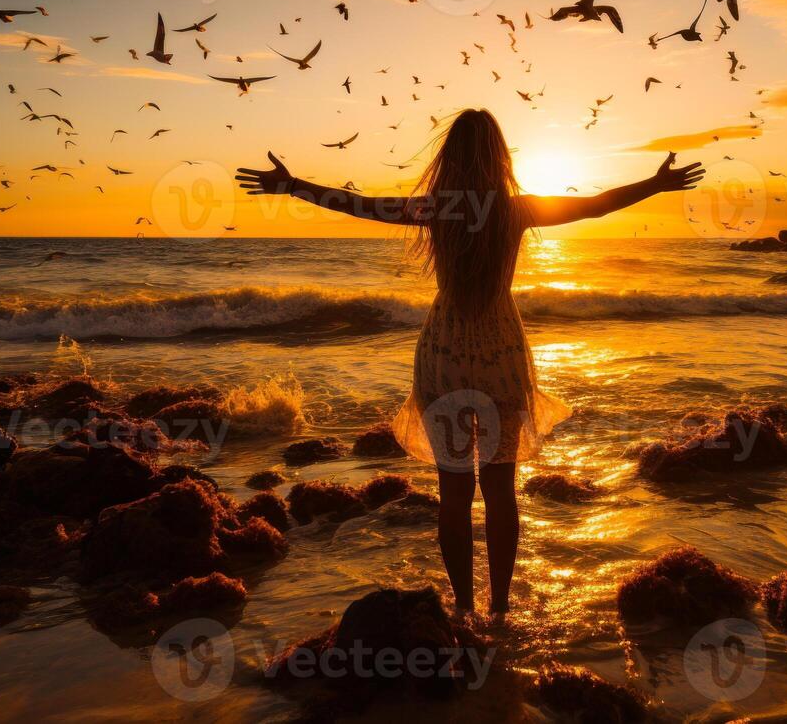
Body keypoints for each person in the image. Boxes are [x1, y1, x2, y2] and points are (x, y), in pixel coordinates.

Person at [237, 108, 703, 614]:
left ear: (449, 157)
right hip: (502, 353)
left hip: (445, 353)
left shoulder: (435, 209)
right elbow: (593, 206)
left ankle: (464, 607)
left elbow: (361, 206)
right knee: (501, 492)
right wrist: (653, 186)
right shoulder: (516, 211)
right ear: (499, 156)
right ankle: (499, 608)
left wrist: (294, 186)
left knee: (454, 494)